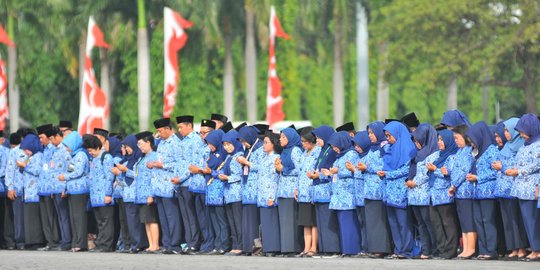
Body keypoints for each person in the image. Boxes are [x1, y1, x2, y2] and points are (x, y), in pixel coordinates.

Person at [379, 121, 416, 259]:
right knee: (393, 223)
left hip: (401, 191)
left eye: (390, 136)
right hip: (389, 192)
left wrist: (388, 174)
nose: (388, 139)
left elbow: (406, 169)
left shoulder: (408, 149)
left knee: (403, 223)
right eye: (387, 136)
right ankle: (398, 250)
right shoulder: (390, 148)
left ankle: (406, 251)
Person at [492, 118, 528, 259]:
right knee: (507, 221)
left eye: (508, 130)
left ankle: (521, 248)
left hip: (513, 189)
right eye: (505, 130)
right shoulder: (507, 146)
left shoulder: (521, 146)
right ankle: (512, 247)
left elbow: (517, 166)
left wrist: (502, 167)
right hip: (502, 188)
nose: (506, 134)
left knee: (516, 220)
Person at [466, 121, 500, 260]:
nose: (472, 144)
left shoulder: (492, 150)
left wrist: (478, 177)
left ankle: (491, 250)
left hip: (487, 192)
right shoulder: (476, 152)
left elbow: (495, 172)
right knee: (478, 221)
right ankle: (483, 249)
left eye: (472, 141)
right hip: (476, 192)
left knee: (488, 220)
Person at [508, 114, 540, 261]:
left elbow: (536, 165)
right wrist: (513, 169)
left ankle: (537, 250)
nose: (520, 135)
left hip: (532, 188)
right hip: (521, 189)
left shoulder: (538, 145)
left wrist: (519, 171)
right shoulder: (524, 145)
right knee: (527, 221)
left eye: (523, 131)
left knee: (534, 221)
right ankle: (533, 249)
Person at [148, 118, 182, 254]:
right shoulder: (161, 143)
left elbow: (179, 163)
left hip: (169, 185)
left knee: (171, 216)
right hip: (158, 185)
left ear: (168, 129)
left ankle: (175, 244)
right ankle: (167, 244)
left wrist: (162, 165)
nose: (159, 134)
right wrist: (154, 164)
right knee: (162, 216)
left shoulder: (176, 143)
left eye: (160, 131)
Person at [326, 131, 361, 257]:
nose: (334, 148)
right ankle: (346, 249)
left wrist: (337, 171)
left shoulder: (351, 154)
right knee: (342, 223)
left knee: (349, 224)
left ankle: (352, 249)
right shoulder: (340, 155)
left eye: (335, 145)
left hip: (347, 194)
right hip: (339, 195)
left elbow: (351, 171)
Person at [407, 123, 439, 259]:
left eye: (418, 140)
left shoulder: (434, 154)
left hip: (424, 193)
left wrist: (415, 182)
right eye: (414, 140)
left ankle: (434, 249)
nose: (416, 143)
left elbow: (426, 173)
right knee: (420, 224)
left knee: (428, 222)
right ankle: (425, 250)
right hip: (414, 194)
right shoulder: (416, 154)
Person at [427, 129, 460, 259]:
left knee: (448, 223)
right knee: (436, 223)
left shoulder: (452, 156)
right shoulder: (439, 156)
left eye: (442, 140)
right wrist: (436, 170)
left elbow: (448, 173)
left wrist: (435, 169)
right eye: (438, 140)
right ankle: (441, 250)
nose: (439, 142)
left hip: (445, 195)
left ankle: (451, 250)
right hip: (434, 195)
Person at [362, 121, 392, 258]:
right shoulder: (373, 148)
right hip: (369, 189)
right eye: (368, 133)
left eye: (372, 133)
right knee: (371, 220)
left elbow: (383, 166)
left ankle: (381, 248)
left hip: (378, 189)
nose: (370, 136)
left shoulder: (385, 147)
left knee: (379, 220)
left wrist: (366, 167)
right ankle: (373, 247)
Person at [310, 125, 340, 256]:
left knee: (328, 221)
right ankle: (323, 248)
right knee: (321, 221)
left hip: (326, 191)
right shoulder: (322, 151)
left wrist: (319, 175)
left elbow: (332, 171)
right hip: (318, 191)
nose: (317, 140)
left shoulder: (331, 151)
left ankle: (332, 248)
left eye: (318, 138)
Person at [114, 134, 147, 253]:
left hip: (135, 194)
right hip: (126, 194)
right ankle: (133, 244)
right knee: (130, 222)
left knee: (136, 221)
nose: (127, 149)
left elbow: (138, 175)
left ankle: (139, 244)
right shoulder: (128, 160)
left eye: (128, 147)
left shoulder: (138, 159)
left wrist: (126, 170)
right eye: (125, 147)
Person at [175, 115, 203, 254]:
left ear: (189, 126)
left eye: (181, 127)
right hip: (180, 183)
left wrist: (181, 178)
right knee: (185, 215)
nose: (179, 130)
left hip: (189, 182)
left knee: (191, 215)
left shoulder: (196, 140)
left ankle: (195, 243)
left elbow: (193, 164)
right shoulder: (183, 140)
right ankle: (189, 241)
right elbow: (179, 162)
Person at [448, 125, 476, 259]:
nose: (456, 141)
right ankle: (465, 248)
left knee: (468, 220)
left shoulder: (469, 151)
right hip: (458, 191)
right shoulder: (460, 152)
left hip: (465, 190)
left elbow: (464, 170)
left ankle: (471, 248)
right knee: (463, 221)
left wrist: (453, 185)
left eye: (457, 138)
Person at [83, 135, 115, 252]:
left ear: (97, 148)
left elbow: (109, 177)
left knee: (106, 221)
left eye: (91, 150)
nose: (90, 153)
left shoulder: (106, 157)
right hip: (95, 197)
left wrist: (108, 194)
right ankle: (101, 243)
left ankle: (106, 245)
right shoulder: (94, 159)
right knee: (100, 222)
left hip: (104, 196)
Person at [58, 131, 89, 252]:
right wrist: (65, 188)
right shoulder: (74, 156)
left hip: (79, 190)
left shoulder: (81, 155)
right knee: (73, 217)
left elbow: (78, 172)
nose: (66, 149)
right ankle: (76, 242)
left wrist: (64, 177)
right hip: (72, 190)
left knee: (79, 217)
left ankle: (81, 244)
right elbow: (71, 172)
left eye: (67, 146)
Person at [275, 127, 303, 256]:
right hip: (282, 190)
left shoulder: (295, 150)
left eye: (283, 137)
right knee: (284, 221)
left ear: (291, 138)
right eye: (280, 137)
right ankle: (286, 248)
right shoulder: (284, 151)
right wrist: (278, 167)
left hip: (292, 190)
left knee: (291, 220)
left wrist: (283, 168)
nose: (280, 139)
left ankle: (293, 248)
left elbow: (300, 170)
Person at [237, 126, 264, 255]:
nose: (243, 143)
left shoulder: (259, 149)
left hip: (255, 189)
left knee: (253, 220)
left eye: (244, 140)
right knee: (246, 219)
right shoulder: (248, 150)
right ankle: (247, 246)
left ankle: (255, 247)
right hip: (247, 189)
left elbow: (262, 167)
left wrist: (247, 163)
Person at [295, 127, 320, 257]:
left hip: (312, 190)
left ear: (311, 141)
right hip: (303, 191)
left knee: (313, 221)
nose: (303, 144)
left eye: (305, 141)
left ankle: (313, 247)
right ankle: (306, 247)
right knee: (305, 221)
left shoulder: (318, 152)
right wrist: (296, 188)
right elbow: (299, 173)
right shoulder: (304, 154)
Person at [133, 131, 160, 253]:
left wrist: (151, 194)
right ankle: (150, 244)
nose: (139, 147)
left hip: (148, 192)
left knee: (152, 219)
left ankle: (155, 245)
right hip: (140, 193)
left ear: (148, 142)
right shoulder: (141, 158)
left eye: (141, 144)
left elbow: (154, 176)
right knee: (146, 220)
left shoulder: (154, 156)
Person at [203, 129, 229, 255]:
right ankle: (217, 244)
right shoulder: (211, 155)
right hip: (210, 190)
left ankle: (224, 244)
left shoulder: (224, 155)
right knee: (214, 219)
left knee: (221, 219)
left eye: (211, 143)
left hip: (219, 191)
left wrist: (211, 172)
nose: (209, 146)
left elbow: (224, 172)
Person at [18, 133, 46, 249]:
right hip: (28, 192)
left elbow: (37, 170)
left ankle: (36, 241)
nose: (25, 152)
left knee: (34, 218)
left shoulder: (39, 156)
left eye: (27, 150)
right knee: (29, 217)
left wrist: (25, 166)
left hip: (35, 192)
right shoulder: (31, 157)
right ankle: (30, 241)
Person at [219, 130, 244, 256]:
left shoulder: (239, 156)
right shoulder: (228, 157)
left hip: (237, 193)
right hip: (228, 194)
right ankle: (234, 245)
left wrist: (227, 178)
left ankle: (240, 246)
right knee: (231, 221)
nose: (227, 147)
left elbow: (240, 175)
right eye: (225, 145)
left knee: (238, 221)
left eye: (229, 144)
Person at [46, 126, 72, 251]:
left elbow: (68, 171)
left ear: (57, 136)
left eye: (52, 139)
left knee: (64, 216)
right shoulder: (55, 151)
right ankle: (64, 240)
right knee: (60, 217)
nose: (51, 141)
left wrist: (65, 189)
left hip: (62, 188)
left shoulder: (65, 151)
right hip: (55, 188)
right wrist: (52, 189)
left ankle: (67, 241)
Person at [35, 124, 60, 251]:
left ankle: (54, 241)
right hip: (42, 189)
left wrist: (53, 188)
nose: (40, 140)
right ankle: (49, 242)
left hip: (50, 188)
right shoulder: (44, 150)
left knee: (51, 216)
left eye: (41, 137)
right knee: (45, 217)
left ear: (48, 137)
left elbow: (54, 170)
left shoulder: (53, 151)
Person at [257, 131, 282, 256]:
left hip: (269, 194)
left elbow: (274, 179)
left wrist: (272, 196)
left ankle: (273, 247)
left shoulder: (275, 158)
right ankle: (267, 247)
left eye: (266, 142)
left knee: (271, 221)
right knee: (266, 222)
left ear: (273, 144)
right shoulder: (264, 158)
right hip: (262, 194)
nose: (264, 145)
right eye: (263, 142)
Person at [351, 131, 372, 257]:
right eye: (355, 145)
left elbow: (367, 173)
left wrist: (354, 170)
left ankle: (369, 247)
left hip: (365, 195)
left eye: (359, 145)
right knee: (361, 223)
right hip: (358, 196)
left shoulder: (369, 156)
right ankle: (364, 247)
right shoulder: (358, 157)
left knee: (367, 223)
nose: (357, 148)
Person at [5, 132, 25, 250]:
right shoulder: (14, 152)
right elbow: (9, 170)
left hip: (30, 190)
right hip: (17, 189)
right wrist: (10, 187)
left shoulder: (32, 151)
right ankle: (20, 241)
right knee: (18, 217)